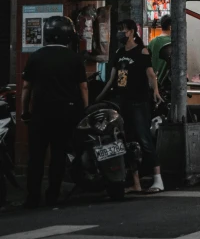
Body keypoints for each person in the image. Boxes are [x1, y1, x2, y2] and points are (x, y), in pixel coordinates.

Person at [22, 16, 88, 208]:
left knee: (36, 156)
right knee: (58, 155)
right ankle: (53, 195)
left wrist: (25, 111)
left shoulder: (35, 57)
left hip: (40, 114)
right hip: (66, 114)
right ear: (68, 36)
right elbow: (83, 88)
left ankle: (33, 197)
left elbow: (26, 88)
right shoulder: (74, 59)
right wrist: (85, 110)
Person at [97, 20, 164, 193]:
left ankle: (158, 179)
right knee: (127, 141)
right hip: (123, 102)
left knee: (144, 139)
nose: (121, 34)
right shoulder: (119, 52)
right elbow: (112, 78)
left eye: (124, 30)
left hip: (139, 102)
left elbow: (150, 74)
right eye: (119, 30)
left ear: (132, 32)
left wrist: (155, 91)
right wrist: (98, 98)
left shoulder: (141, 51)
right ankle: (136, 182)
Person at [148, 15, 171, 88]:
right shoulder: (174, 43)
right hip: (168, 84)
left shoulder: (152, 42)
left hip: (154, 83)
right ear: (171, 26)